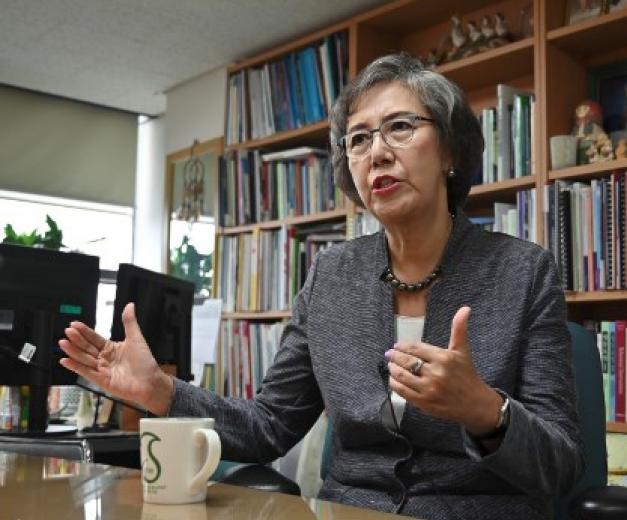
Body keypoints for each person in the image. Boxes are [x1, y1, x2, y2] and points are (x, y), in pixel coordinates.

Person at [58, 53, 582, 520]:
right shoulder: (331, 277)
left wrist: (486, 411)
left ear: (450, 152)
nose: (376, 152)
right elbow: (268, 427)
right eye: (358, 139)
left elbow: (560, 467)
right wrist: (161, 392)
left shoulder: (524, 273)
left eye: (400, 127)